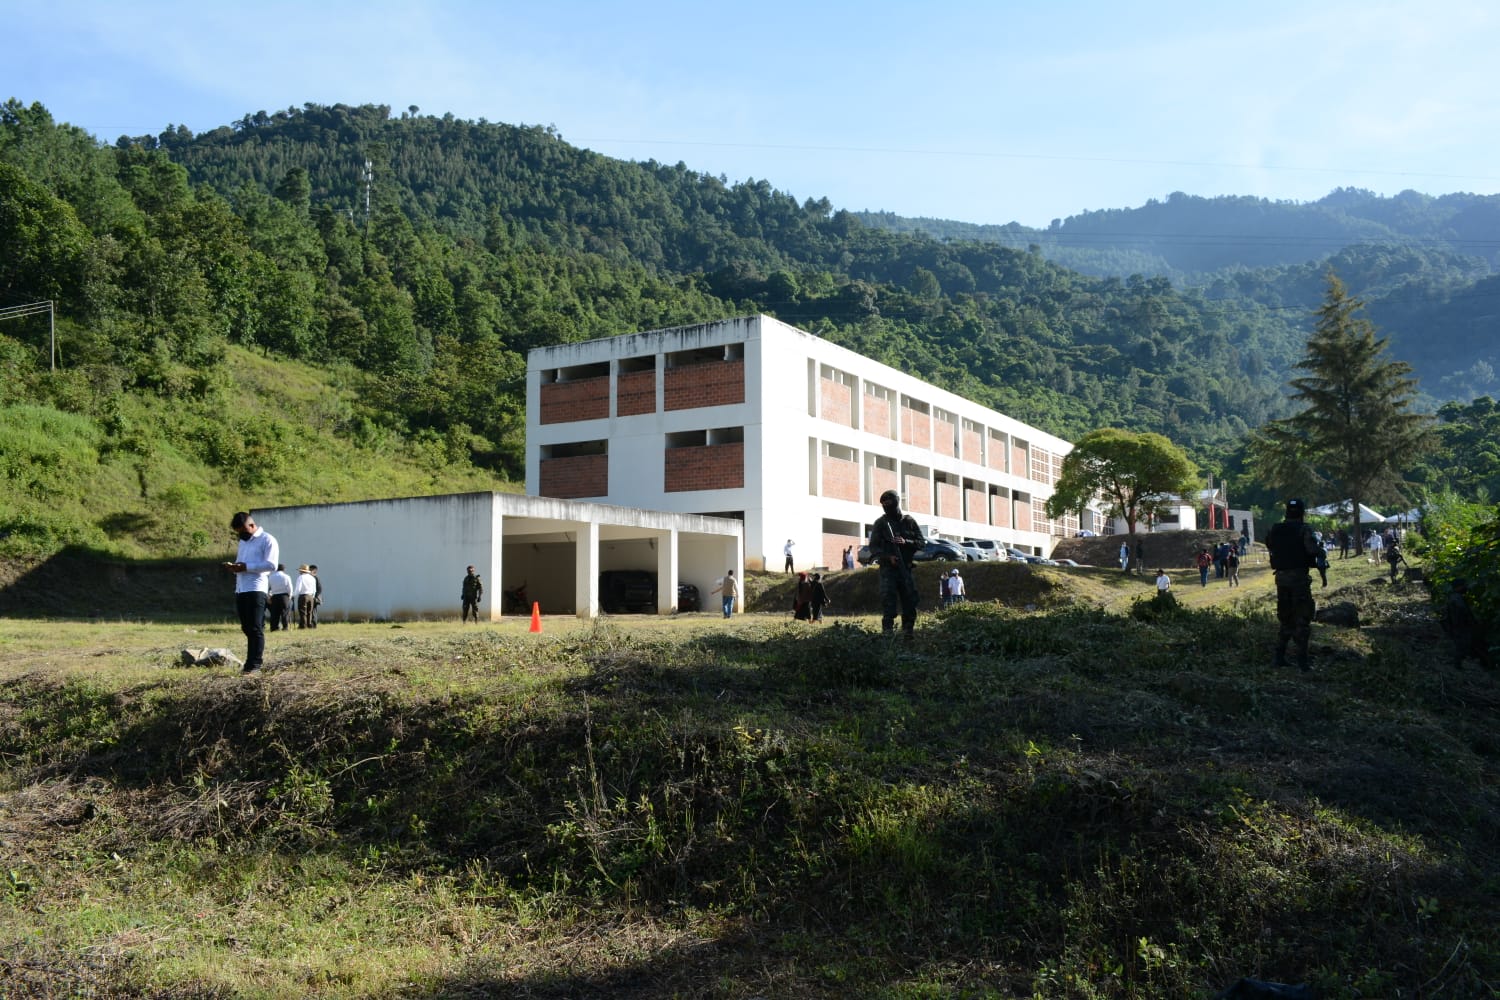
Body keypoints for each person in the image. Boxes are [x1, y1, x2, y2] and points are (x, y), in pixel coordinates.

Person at [1266, 498, 1322, 671]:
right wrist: (1321, 551)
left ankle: (1279, 657)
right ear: (1302, 513)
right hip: (1298, 578)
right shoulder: (1304, 530)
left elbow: (1270, 544)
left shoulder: (1276, 529)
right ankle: (1303, 662)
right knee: (1302, 618)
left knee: (1285, 617)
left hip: (1281, 578)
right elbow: (1312, 550)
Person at [224, 512, 278, 674]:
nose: (241, 535)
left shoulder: (267, 539)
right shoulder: (244, 542)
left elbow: (271, 565)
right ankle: (249, 663)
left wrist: (246, 567)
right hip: (241, 588)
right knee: (246, 627)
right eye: (238, 532)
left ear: (252, 526)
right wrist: (235, 568)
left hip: (256, 588)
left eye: (243, 531)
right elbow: (242, 564)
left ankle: (255, 665)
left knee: (255, 628)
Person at [869, 489, 923, 638]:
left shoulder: (909, 521)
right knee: (888, 601)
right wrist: (887, 557)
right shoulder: (881, 523)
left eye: (889, 502)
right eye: (884, 503)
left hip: (906, 569)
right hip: (889, 571)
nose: (886, 505)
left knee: (910, 602)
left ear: (896, 501)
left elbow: (921, 542)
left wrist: (907, 542)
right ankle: (888, 634)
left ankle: (908, 633)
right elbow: (873, 547)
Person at [1443, 578, 1492, 670]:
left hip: (1459, 628)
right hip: (1461, 629)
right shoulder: (1456, 599)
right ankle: (1459, 668)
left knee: (1465, 648)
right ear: (1459, 587)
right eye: (1464, 585)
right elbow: (1463, 615)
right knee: (1465, 648)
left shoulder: (1455, 597)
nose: (1466, 587)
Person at [267, 563, 294, 632]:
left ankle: (274, 628)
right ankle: (285, 627)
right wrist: (290, 596)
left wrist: (269, 597)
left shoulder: (271, 577)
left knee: (274, 613)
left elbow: (268, 588)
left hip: (275, 596)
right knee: (285, 612)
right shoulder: (286, 576)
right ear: (284, 569)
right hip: (284, 596)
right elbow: (290, 587)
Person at [295, 564, 318, 629]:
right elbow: (314, 589)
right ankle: (309, 624)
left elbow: (298, 588)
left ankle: (303, 625)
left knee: (302, 612)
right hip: (311, 596)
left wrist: (294, 595)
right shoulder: (312, 578)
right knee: (309, 612)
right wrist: (312, 596)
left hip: (303, 596)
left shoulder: (301, 577)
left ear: (302, 571)